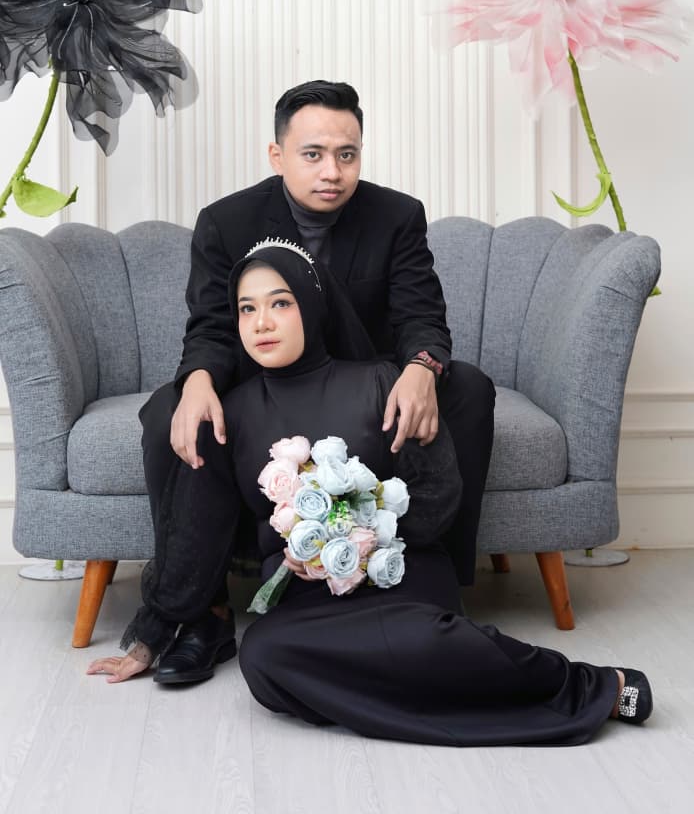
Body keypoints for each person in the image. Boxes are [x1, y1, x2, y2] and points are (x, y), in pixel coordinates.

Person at [87, 243, 652, 747]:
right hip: (306, 599)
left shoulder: (382, 382)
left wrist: (361, 534)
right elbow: (195, 533)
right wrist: (149, 639)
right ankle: (431, 685)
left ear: (312, 305)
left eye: (280, 303)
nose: (262, 322)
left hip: (399, 575)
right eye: (247, 309)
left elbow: (437, 494)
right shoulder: (229, 415)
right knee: (263, 656)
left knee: (417, 640)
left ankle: (593, 685)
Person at [137, 79, 495, 683]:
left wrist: (421, 368)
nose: (333, 171)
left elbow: (422, 315)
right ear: (277, 156)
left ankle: (430, 572)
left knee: (468, 389)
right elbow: (212, 326)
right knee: (168, 412)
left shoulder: (397, 215)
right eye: (313, 154)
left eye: (347, 154)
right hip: (269, 383)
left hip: (363, 384)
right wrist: (197, 378)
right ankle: (204, 613)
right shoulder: (227, 221)